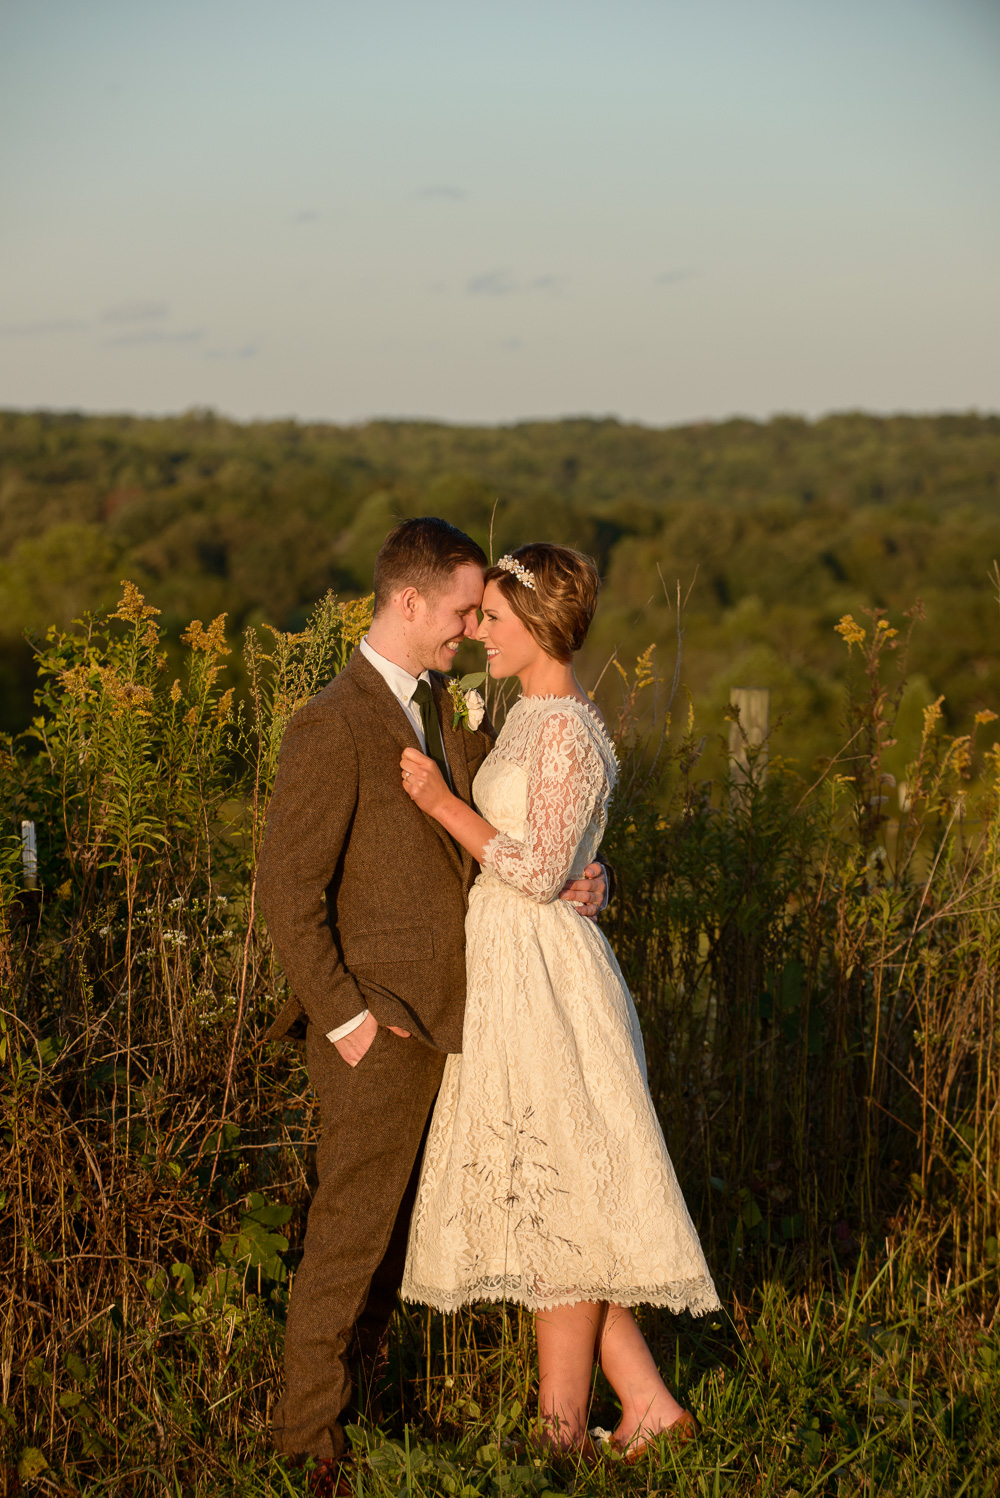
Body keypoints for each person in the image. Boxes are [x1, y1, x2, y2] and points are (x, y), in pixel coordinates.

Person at [256, 518, 608, 1492]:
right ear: (407, 603)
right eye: (458, 610)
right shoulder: (333, 721)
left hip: (459, 1019)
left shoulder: (441, 706)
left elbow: (514, 819)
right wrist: (351, 1020)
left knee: (396, 1239)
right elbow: (288, 893)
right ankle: (304, 1448)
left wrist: (581, 870)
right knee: (348, 1236)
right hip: (379, 1025)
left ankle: (349, 1410)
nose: (466, 627)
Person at [398, 543, 720, 1462]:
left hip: (545, 978)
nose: (478, 632)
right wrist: (598, 874)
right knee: (556, 1198)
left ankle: (561, 1430)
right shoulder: (529, 717)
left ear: (539, 626)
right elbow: (561, 850)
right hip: (510, 969)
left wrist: (440, 804)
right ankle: (650, 1405)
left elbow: (538, 868)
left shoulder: (567, 727)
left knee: (559, 1198)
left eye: (492, 619)